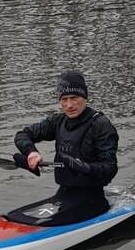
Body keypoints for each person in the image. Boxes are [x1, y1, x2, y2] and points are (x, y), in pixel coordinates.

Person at [11, 70, 119, 227]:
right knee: (16, 217)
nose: (69, 105)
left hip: (93, 200)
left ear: (84, 97)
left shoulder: (101, 125)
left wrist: (87, 168)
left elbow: (110, 168)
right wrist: (31, 153)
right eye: (64, 99)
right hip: (64, 195)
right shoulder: (57, 121)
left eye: (74, 98)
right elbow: (22, 135)